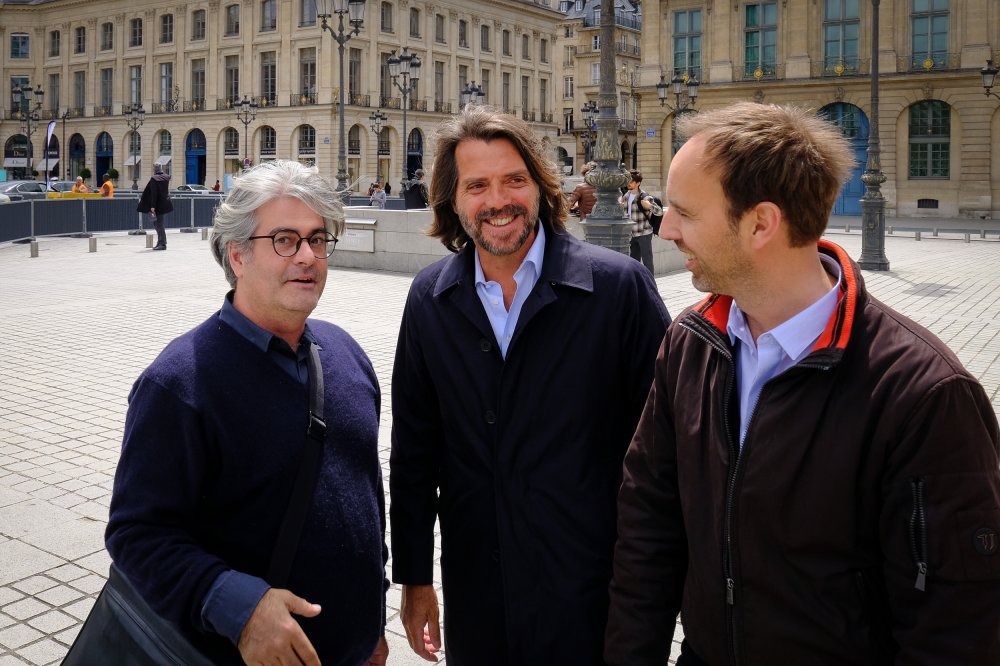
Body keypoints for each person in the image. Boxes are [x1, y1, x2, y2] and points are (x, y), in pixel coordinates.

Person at [605, 102, 1000, 665]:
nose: (665, 229)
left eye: (685, 213)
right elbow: (649, 525)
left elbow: (955, 625)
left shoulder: (924, 393)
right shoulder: (691, 343)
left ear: (761, 223)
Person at [390, 105, 670, 665]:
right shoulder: (429, 298)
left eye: (514, 180)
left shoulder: (620, 290)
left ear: (541, 187)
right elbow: (415, 451)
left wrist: (656, 592)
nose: (498, 201)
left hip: (595, 596)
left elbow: (666, 456)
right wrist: (415, 577)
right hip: (479, 598)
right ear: (452, 200)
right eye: (477, 186)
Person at [106, 160, 389, 666]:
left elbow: (366, 497)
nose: (308, 256)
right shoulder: (179, 382)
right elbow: (138, 535)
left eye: (317, 239)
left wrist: (371, 626)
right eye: (285, 240)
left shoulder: (347, 354)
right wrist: (238, 608)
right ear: (237, 254)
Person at [618, 169, 659, 274]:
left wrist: (650, 206)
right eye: (628, 181)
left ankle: (650, 282)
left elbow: (659, 211)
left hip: (644, 232)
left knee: (647, 260)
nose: (629, 183)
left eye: (631, 181)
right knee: (634, 261)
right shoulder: (626, 196)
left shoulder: (644, 196)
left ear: (638, 183)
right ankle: (636, 281)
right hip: (631, 233)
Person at [136, 164, 173, 250]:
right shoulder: (166, 178)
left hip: (156, 205)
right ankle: (160, 242)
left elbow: (154, 193)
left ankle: (162, 243)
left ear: (155, 170)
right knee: (159, 224)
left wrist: (153, 206)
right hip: (164, 204)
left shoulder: (154, 179)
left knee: (158, 224)